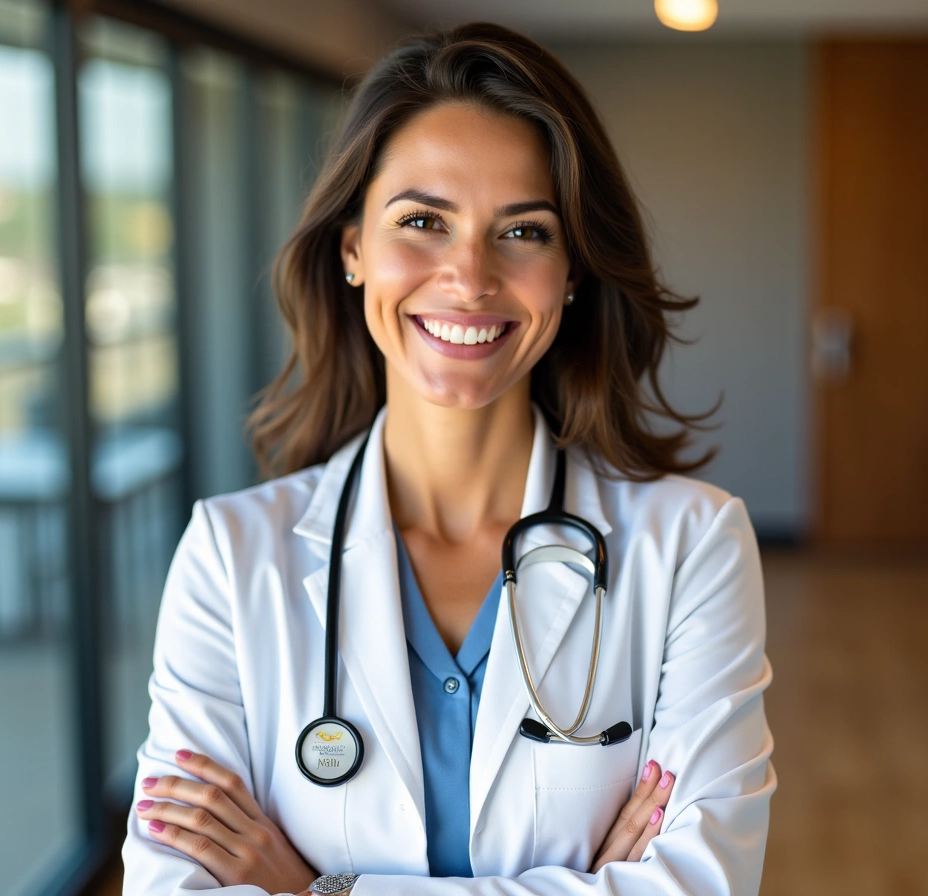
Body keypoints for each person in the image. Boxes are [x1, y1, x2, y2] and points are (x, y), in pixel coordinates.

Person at [121, 21, 775, 896]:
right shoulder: (230, 557)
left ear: (572, 269)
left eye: (525, 232)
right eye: (423, 221)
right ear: (353, 248)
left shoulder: (692, 545)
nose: (469, 278)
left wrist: (322, 888)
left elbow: (702, 886)